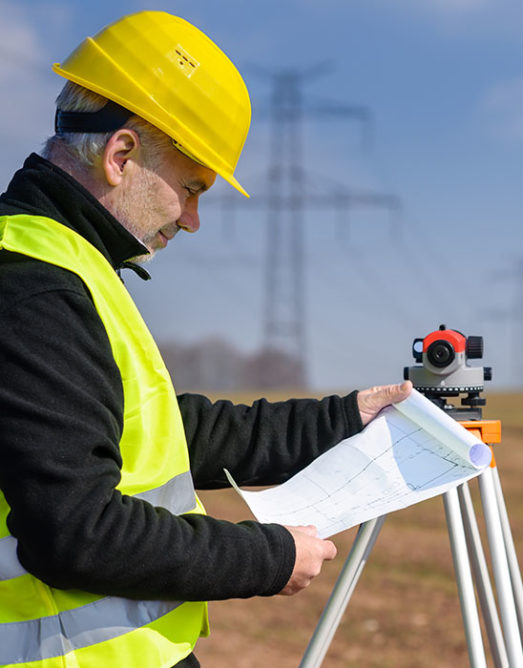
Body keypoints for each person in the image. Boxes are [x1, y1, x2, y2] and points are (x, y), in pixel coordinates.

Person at [0, 12, 411, 668]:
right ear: (121, 155)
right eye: (191, 189)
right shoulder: (36, 288)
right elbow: (76, 532)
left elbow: (164, 432)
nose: (193, 221)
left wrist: (344, 419)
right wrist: (266, 556)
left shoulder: (63, 264)